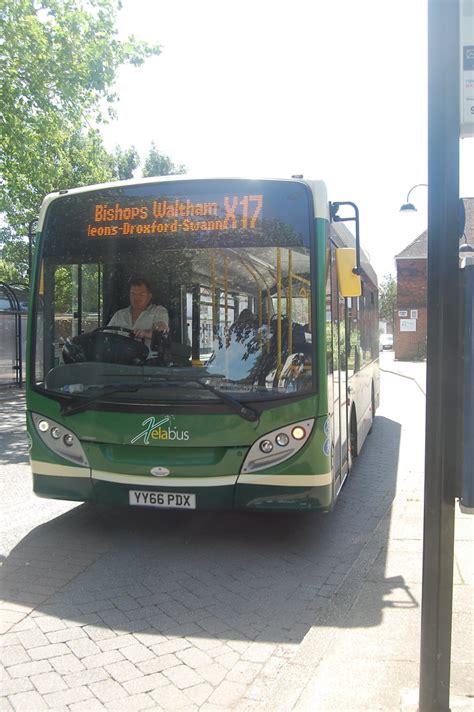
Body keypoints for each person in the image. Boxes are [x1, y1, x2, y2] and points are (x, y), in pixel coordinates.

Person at [108, 277, 168, 348]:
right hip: (120, 357)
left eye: (141, 294)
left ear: (149, 296)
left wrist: (145, 333)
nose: (136, 298)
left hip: (149, 357)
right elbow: (106, 336)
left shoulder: (159, 311)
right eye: (133, 294)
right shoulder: (119, 315)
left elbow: (162, 330)